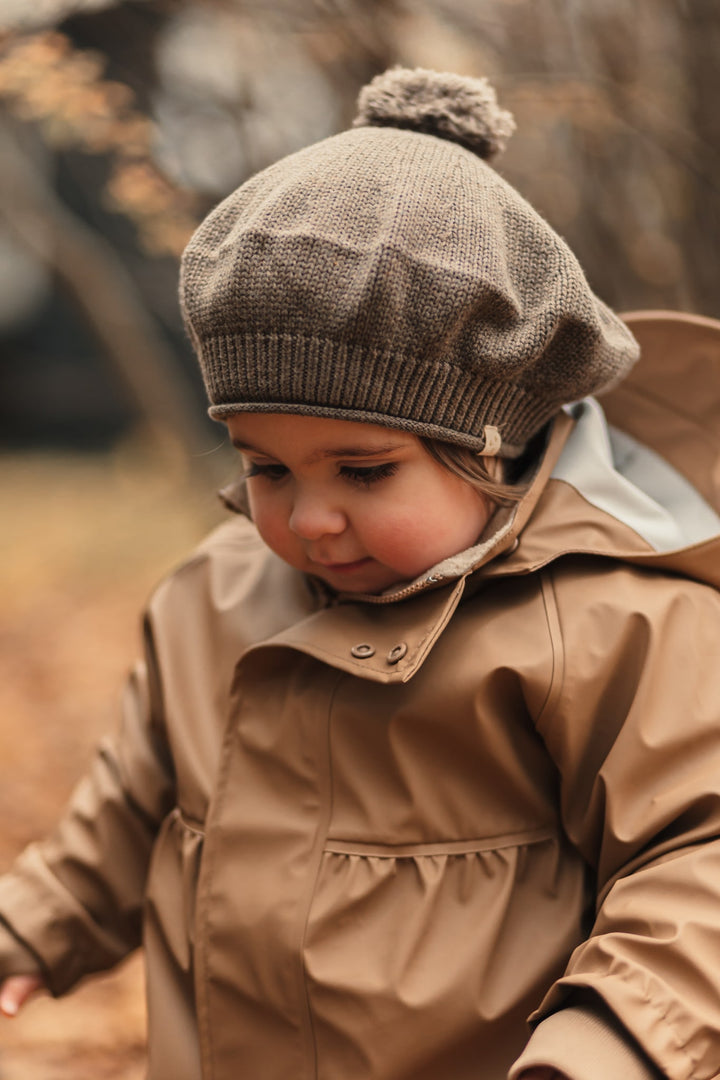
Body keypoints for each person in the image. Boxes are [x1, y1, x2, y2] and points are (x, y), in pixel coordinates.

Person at [0, 66, 719, 1080]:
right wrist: (33, 924)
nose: (311, 517)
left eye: (366, 470)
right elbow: (128, 807)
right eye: (264, 467)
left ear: (495, 444)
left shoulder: (611, 623)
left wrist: (615, 1039)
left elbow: (701, 854)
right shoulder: (215, 595)